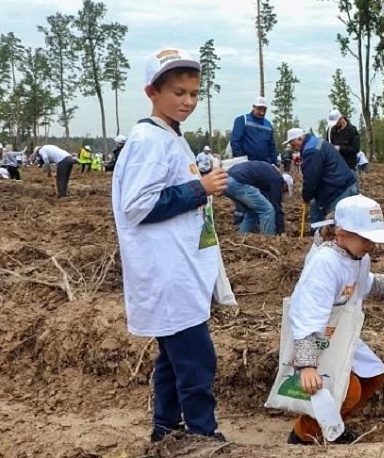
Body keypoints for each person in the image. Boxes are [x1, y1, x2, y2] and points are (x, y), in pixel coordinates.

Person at [111, 47, 228, 443]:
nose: (188, 101)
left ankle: (165, 430)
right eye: (179, 92)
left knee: (173, 361)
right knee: (196, 361)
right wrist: (200, 189)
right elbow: (137, 207)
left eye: (194, 93)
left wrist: (200, 184)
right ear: (152, 92)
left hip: (178, 268)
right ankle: (202, 436)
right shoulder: (149, 140)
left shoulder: (170, 137)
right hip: (167, 273)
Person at [286, 194, 384, 445]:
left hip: (342, 334)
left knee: (372, 375)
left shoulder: (358, 258)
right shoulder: (325, 263)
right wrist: (307, 365)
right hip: (316, 339)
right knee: (346, 390)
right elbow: (306, 314)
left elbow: (362, 284)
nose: (371, 245)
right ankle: (303, 436)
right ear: (341, 234)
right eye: (366, 239)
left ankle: (332, 425)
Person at [283, 127, 359, 225]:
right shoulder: (316, 142)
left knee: (339, 225)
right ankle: (317, 234)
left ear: (300, 139)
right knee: (316, 210)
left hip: (339, 189)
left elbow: (311, 178)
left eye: (293, 144)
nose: (293, 147)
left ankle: (323, 236)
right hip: (342, 183)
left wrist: (306, 197)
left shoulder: (311, 151)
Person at [225, 161, 285, 235]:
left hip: (225, 181)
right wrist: (281, 230)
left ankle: (241, 238)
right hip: (237, 182)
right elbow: (276, 205)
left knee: (252, 212)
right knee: (267, 210)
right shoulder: (277, 179)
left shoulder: (267, 174)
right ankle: (267, 240)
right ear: (284, 183)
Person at [230, 96, 277, 165]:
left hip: (264, 164)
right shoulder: (243, 120)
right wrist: (240, 159)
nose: (262, 112)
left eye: (264, 110)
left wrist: (273, 162)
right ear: (253, 107)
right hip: (246, 163)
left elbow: (272, 146)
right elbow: (235, 141)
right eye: (259, 109)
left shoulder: (268, 125)